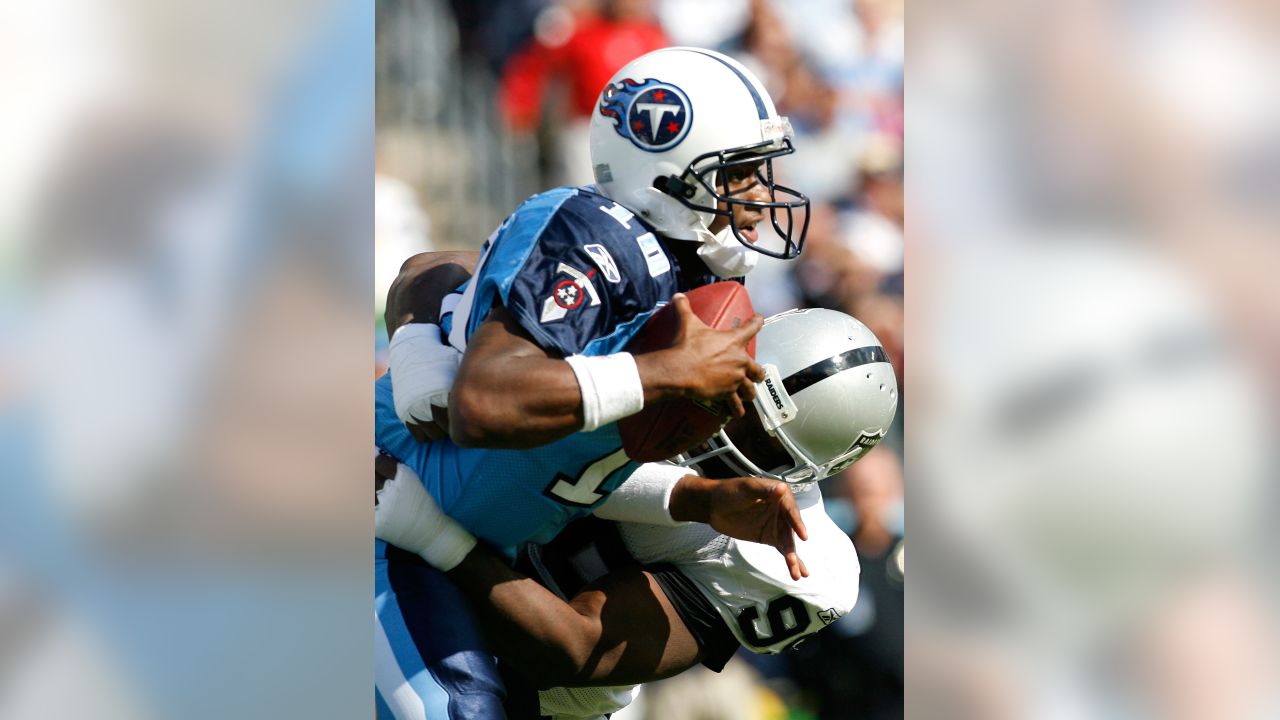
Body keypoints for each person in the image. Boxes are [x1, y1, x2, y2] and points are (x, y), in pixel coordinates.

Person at [376, 47, 811, 719]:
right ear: (666, 168)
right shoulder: (597, 235)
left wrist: (698, 499)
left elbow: (583, 463)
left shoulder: (687, 274)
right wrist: (663, 373)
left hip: (452, 540)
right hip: (388, 503)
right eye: (740, 173)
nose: (758, 195)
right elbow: (485, 401)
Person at [376, 307, 900, 719]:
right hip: (408, 554)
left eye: (764, 448)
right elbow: (437, 270)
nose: (724, 438)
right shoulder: (674, 328)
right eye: (736, 402)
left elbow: (578, 649)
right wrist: (419, 348)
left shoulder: (799, 560)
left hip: (515, 682)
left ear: (813, 472)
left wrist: (434, 536)